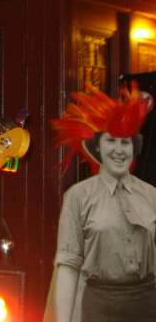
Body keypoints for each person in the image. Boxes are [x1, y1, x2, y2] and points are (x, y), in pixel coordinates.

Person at [45, 82, 156, 322]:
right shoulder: (78, 196)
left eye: (125, 142)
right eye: (111, 141)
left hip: (148, 308)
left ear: (134, 147)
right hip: (98, 309)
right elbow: (68, 265)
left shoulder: (151, 195)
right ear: (98, 147)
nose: (119, 150)